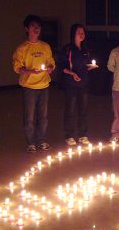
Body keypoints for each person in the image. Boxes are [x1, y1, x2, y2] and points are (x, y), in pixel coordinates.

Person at [12, 14, 55, 153]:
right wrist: (30, 71)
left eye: (38, 27)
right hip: (29, 87)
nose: (36, 29)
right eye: (33, 26)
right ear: (26, 29)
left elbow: (51, 62)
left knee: (43, 116)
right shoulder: (22, 48)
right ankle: (31, 143)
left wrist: (50, 68)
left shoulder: (45, 46)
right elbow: (17, 67)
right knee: (29, 117)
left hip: (44, 85)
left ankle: (41, 140)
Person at [57, 24, 95, 146]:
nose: (81, 34)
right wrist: (72, 73)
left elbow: (86, 65)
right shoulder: (68, 49)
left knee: (83, 110)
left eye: (83, 32)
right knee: (70, 110)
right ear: (73, 33)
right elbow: (62, 66)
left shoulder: (85, 49)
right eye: (79, 32)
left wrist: (90, 67)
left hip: (84, 83)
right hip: (71, 84)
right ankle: (69, 135)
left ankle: (83, 134)